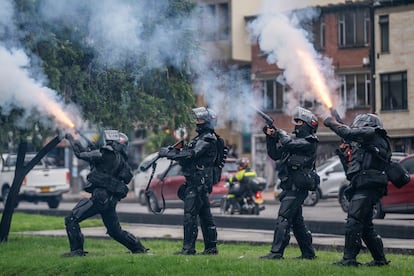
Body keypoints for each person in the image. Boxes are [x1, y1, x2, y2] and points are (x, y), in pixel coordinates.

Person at [62, 130, 148, 257]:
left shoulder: (106, 153)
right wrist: (92, 151)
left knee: (71, 219)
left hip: (99, 198)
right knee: (115, 231)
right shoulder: (121, 160)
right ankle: (138, 248)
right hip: (110, 201)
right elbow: (121, 174)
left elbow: (80, 154)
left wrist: (72, 139)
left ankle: (76, 251)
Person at [324, 112, 391, 266]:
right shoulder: (366, 143)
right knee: (366, 228)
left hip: (368, 185)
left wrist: (332, 123)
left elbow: (347, 132)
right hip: (363, 184)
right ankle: (380, 260)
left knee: (353, 222)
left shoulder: (372, 133)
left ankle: (349, 259)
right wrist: (343, 155)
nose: (358, 126)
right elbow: (351, 172)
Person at [158, 107, 221, 255]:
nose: (197, 122)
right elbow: (187, 155)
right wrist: (173, 152)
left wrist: (170, 154)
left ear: (208, 122)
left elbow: (191, 154)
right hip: (198, 182)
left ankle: (188, 249)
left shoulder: (207, 138)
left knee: (190, 216)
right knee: (206, 216)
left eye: (200, 120)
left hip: (198, 183)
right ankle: (211, 248)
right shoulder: (201, 138)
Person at [260, 107, 319, 260]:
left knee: (283, 218)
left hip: (297, 188)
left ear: (307, 125)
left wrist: (280, 133)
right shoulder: (293, 143)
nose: (296, 125)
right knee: (297, 223)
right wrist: (270, 137)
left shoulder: (309, 142)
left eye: (299, 122)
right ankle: (308, 253)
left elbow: (288, 144)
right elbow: (275, 154)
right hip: (289, 186)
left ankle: (276, 253)